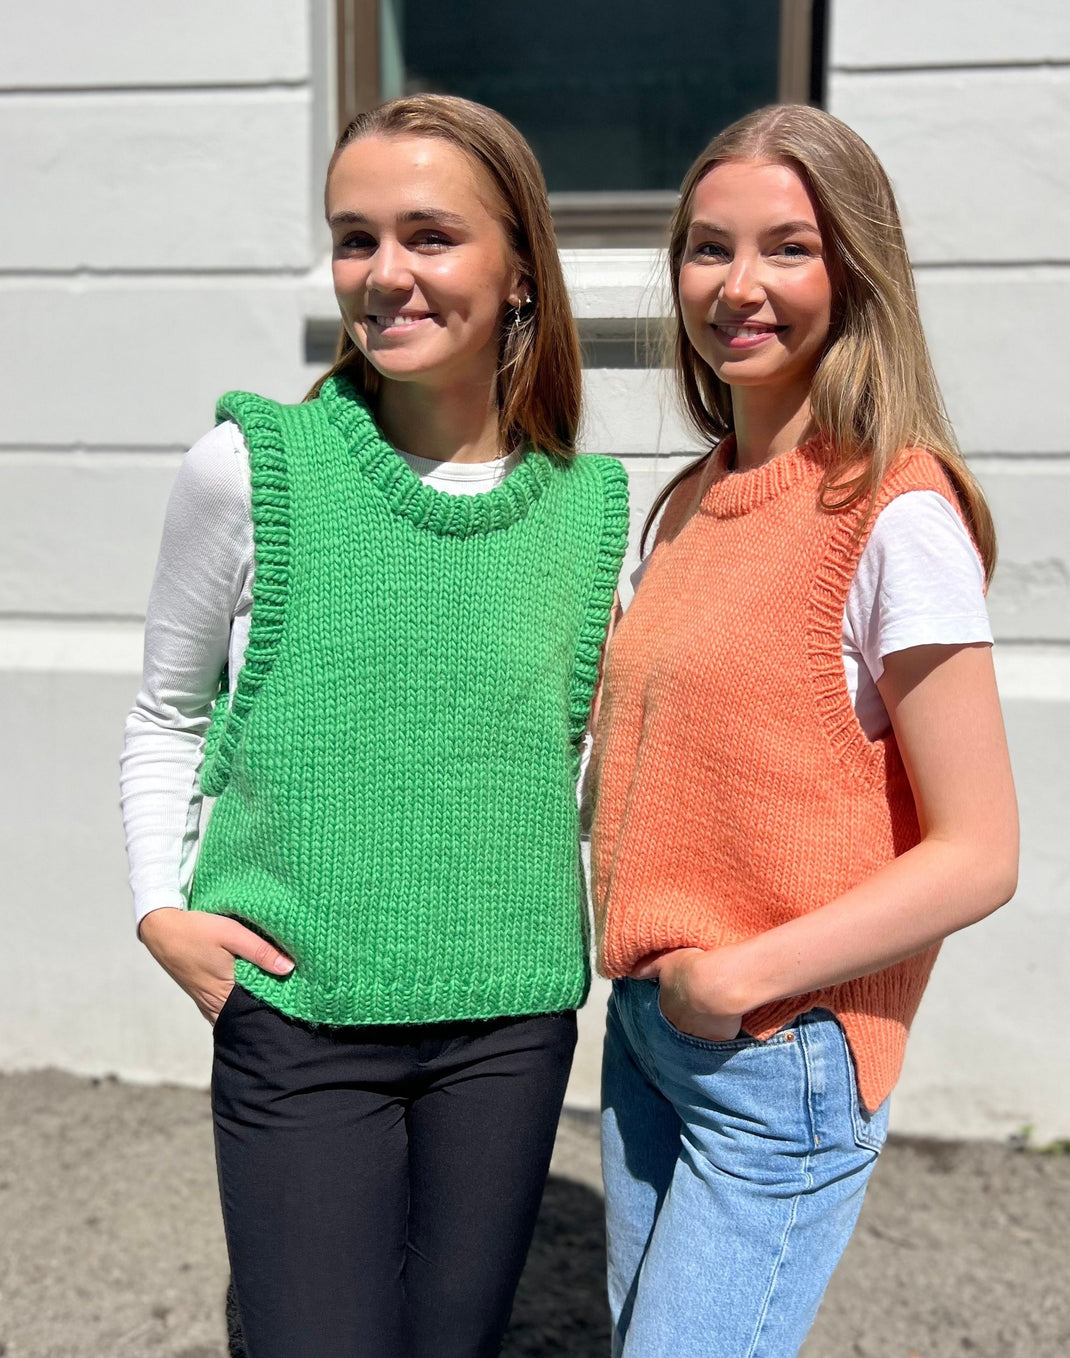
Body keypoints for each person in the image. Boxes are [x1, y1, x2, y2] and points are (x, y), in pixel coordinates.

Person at [120, 94, 628, 1358]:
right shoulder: (252, 469)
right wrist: (159, 907)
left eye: (428, 235)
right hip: (299, 1019)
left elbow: (593, 771)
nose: (383, 273)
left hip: (506, 1032)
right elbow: (167, 712)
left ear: (519, 269)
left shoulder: (593, 512)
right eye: (355, 237)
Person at [590, 103, 1019, 1358]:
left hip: (780, 1053)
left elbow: (978, 850)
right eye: (706, 248)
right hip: (647, 1033)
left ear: (854, 268)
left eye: (786, 246)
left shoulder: (895, 510)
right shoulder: (682, 503)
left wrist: (738, 977)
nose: (737, 286)